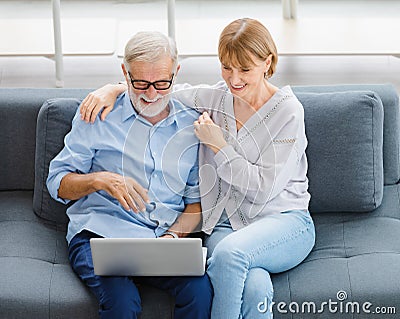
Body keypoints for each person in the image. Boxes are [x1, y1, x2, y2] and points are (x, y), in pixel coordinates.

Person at [79, 18, 315, 319]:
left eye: (245, 69)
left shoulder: (288, 111)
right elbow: (157, 90)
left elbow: (263, 188)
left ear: (267, 62)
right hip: (228, 227)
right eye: (227, 67)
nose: (234, 79)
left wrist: (218, 145)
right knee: (255, 287)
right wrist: (112, 89)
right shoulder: (216, 98)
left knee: (230, 256)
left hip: (284, 222)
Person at [46, 31, 212, 319]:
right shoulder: (98, 115)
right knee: (123, 302)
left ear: (176, 72)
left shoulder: (191, 124)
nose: (151, 94)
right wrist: (101, 180)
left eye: (162, 83)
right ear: (124, 73)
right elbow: (57, 183)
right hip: (100, 236)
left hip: (162, 242)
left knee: (200, 291)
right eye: (140, 83)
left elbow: (195, 203)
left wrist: (173, 237)